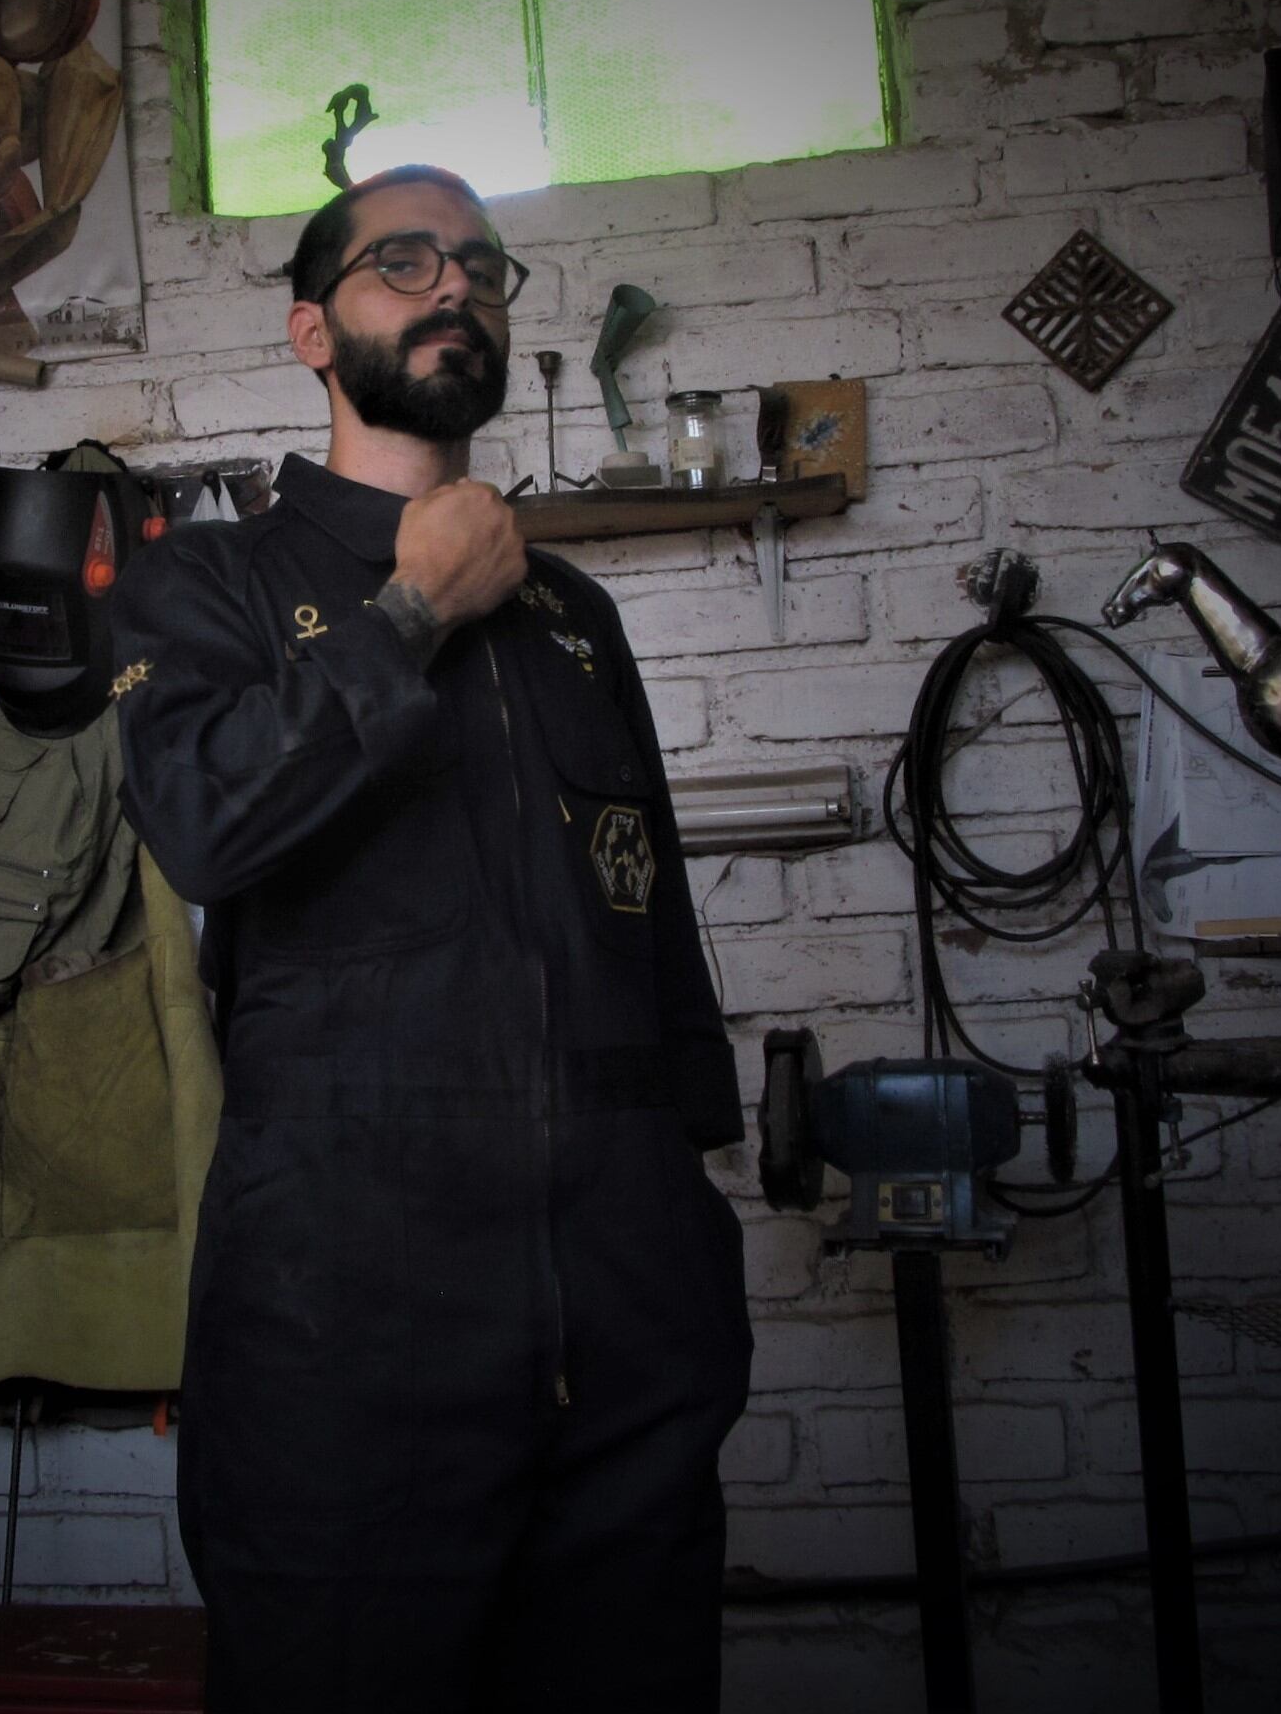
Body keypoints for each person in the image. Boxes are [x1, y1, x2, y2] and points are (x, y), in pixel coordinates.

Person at [107, 164, 749, 1711]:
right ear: (313, 331)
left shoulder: (577, 614)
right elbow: (205, 826)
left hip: (620, 1317)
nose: (454, 286)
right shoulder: (208, 585)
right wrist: (412, 613)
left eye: (482, 266)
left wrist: (686, 1207)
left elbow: (647, 918)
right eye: (404, 263)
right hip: (348, 1320)